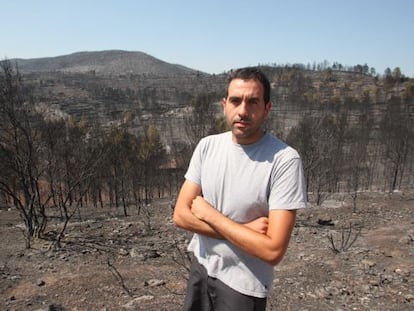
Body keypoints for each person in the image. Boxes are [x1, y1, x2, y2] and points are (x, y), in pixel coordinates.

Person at [173, 67, 307, 311]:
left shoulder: (284, 160)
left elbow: (273, 250)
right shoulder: (207, 146)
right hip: (201, 266)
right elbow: (181, 216)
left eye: (253, 102)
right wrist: (244, 231)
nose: (243, 110)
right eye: (236, 100)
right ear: (224, 105)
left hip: (244, 284)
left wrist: (209, 214)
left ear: (267, 108)